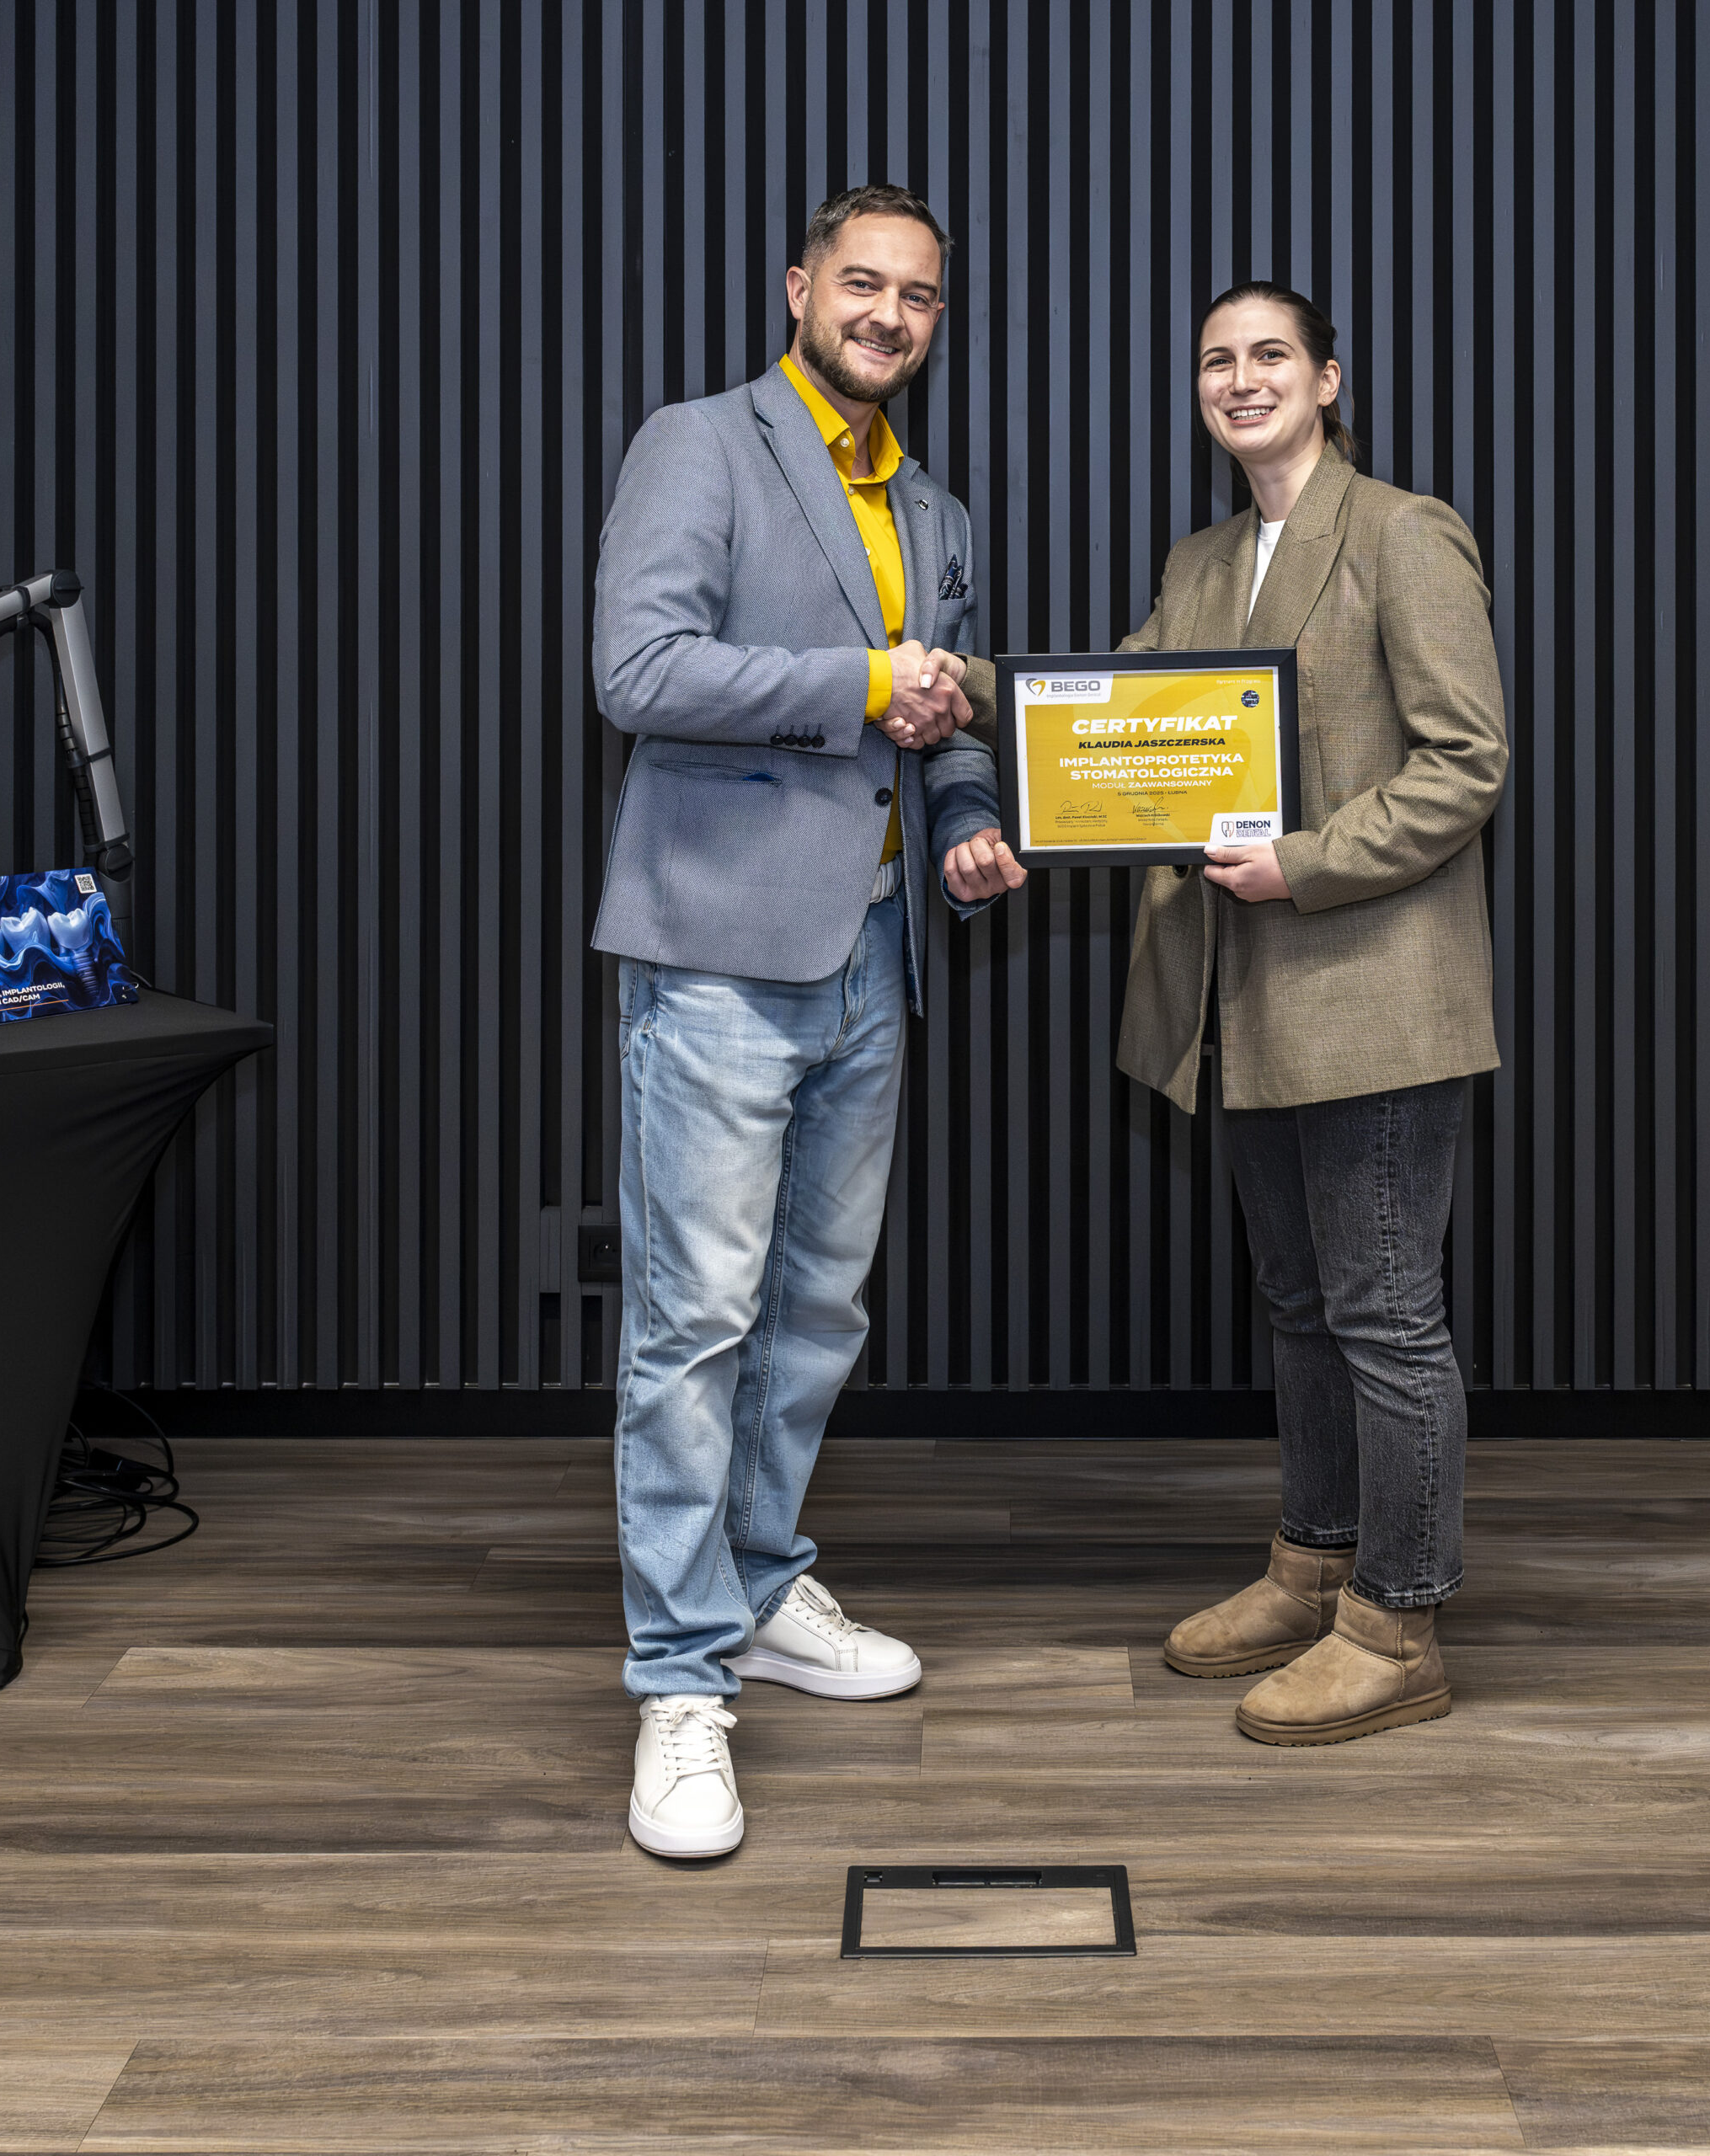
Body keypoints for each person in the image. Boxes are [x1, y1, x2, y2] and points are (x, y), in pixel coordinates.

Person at [591, 183, 1025, 1859]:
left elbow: (947, 717)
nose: (889, 314)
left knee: (814, 1313)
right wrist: (860, 683)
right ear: (799, 287)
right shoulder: (700, 444)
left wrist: (969, 816)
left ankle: (763, 1586)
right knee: (695, 1324)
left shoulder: (936, 510)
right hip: (714, 954)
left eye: (919, 295)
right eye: (863, 282)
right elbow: (638, 672)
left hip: (871, 959)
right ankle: (677, 1679)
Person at [1122, 281, 1510, 1746]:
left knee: (1385, 1317)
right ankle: (1315, 1567)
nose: (1240, 379)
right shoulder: (1204, 561)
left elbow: (1467, 763)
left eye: (1269, 355)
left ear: (1327, 379)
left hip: (1378, 1000)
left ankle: (1398, 1625)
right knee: (1299, 1307)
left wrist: (1303, 862)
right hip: (1252, 1007)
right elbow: (1110, 716)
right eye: (1215, 360)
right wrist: (952, 688)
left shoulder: (1405, 533)